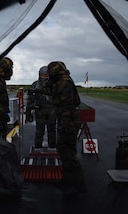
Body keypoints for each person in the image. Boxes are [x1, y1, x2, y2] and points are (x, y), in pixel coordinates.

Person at [46, 61, 86, 197]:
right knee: (63, 151)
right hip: (64, 119)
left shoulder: (64, 82)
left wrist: (65, 124)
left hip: (67, 121)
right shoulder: (60, 81)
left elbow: (67, 104)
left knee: (69, 153)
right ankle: (68, 180)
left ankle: (77, 185)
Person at [26, 66, 56, 149]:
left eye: (46, 75)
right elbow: (30, 99)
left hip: (52, 111)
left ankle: (52, 147)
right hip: (40, 110)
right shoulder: (35, 84)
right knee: (39, 131)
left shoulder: (54, 85)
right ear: (39, 75)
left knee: (52, 130)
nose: (45, 77)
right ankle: (38, 147)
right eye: (43, 75)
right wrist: (28, 112)